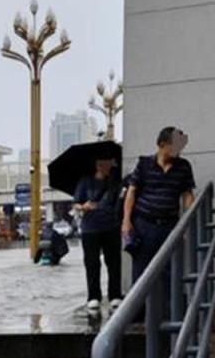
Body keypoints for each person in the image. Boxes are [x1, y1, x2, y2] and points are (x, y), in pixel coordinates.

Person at [122, 126, 195, 282]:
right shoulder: (144, 164)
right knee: (141, 271)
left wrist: (187, 224)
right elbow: (131, 192)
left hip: (170, 225)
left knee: (171, 271)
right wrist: (126, 220)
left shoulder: (183, 166)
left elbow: (187, 195)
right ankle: (140, 307)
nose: (179, 150)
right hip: (144, 225)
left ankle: (170, 306)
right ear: (162, 145)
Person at [74, 154, 123, 313]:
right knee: (92, 263)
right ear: (98, 164)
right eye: (105, 162)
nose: (108, 165)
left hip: (112, 227)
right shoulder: (85, 182)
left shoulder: (115, 182)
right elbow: (76, 204)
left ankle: (114, 294)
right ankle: (93, 296)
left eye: (110, 162)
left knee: (114, 262)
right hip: (90, 229)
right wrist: (84, 207)